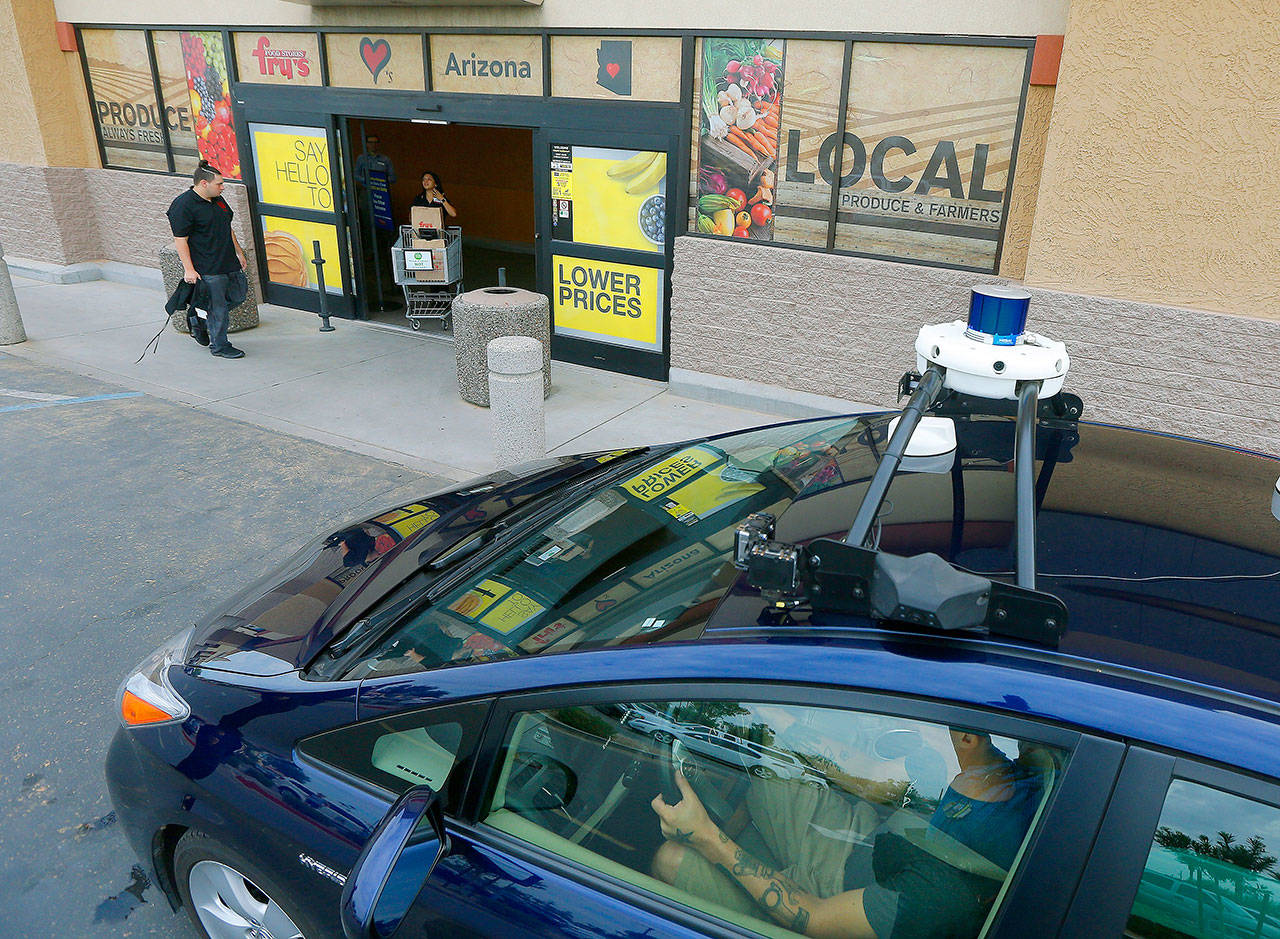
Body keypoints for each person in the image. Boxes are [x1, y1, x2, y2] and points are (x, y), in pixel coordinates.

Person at [650, 726, 1044, 939]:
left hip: (831, 899)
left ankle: (726, 856)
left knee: (669, 859)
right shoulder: (1024, 788)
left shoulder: (932, 904)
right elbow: (978, 755)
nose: (962, 769)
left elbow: (814, 918)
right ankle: (738, 842)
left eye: (974, 774)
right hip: (863, 840)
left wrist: (705, 834)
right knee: (768, 760)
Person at [166, 160, 249, 359]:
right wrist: (189, 269)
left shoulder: (218, 200)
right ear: (204, 183)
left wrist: (239, 252)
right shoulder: (183, 205)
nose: (222, 187)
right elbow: (180, 240)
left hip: (228, 260)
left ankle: (199, 316)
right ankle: (220, 346)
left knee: (239, 295)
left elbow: (227, 226)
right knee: (218, 308)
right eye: (219, 184)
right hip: (208, 266)